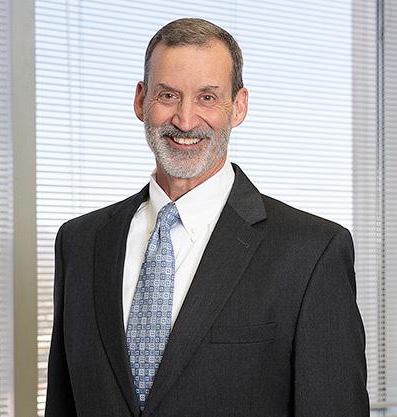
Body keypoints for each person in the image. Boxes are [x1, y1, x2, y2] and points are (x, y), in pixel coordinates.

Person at [45, 18, 369, 417]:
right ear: (141, 101)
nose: (185, 120)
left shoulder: (312, 253)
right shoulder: (79, 243)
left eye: (207, 97)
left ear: (239, 106)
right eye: (168, 95)